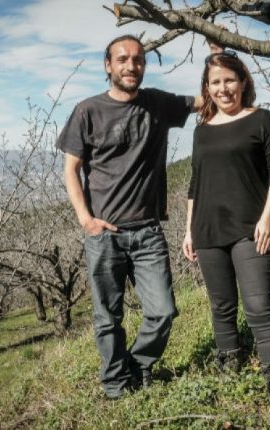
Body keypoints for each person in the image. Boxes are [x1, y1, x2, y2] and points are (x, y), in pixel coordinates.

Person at [58, 34, 203, 399]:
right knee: (108, 317)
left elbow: (209, 98)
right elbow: (71, 170)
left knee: (163, 312)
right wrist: (86, 220)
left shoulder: (158, 103)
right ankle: (115, 385)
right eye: (122, 59)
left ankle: (136, 367)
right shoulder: (87, 111)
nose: (131, 65)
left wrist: (220, 57)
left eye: (138, 59)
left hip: (147, 232)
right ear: (108, 65)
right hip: (104, 234)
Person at [182, 51, 270, 417]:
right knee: (222, 306)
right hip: (207, 230)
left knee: (259, 307)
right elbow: (195, 183)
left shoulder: (261, 120)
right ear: (207, 87)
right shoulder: (201, 130)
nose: (223, 88)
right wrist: (188, 229)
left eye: (229, 80)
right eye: (215, 82)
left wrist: (267, 219)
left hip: (251, 228)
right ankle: (229, 366)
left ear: (243, 82)